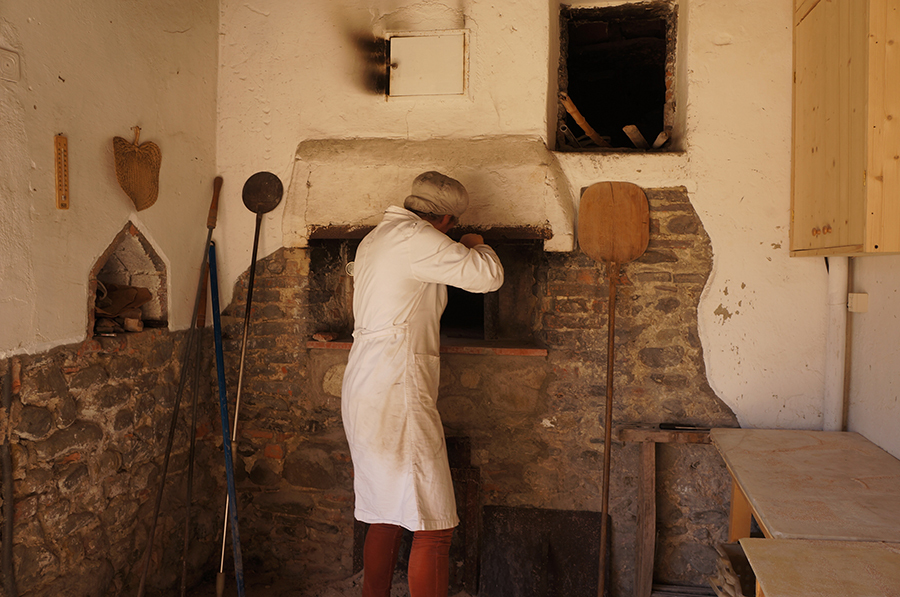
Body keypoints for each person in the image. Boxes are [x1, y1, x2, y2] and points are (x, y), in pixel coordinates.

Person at [341, 172, 504, 597]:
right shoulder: (418, 238)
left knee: (387, 513)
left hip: (366, 382)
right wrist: (475, 244)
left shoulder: (378, 237)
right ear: (446, 218)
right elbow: (489, 277)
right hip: (397, 388)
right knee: (435, 524)